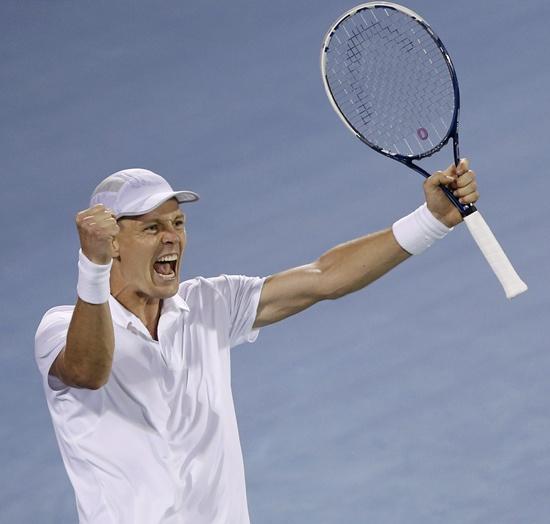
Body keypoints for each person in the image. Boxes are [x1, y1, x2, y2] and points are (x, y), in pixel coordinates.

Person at [35, 163, 479, 523]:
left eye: (178, 223)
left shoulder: (208, 304)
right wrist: (90, 270)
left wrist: (431, 221)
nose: (172, 237)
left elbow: (324, 278)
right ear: (111, 244)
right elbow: (89, 371)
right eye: (151, 229)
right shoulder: (59, 329)